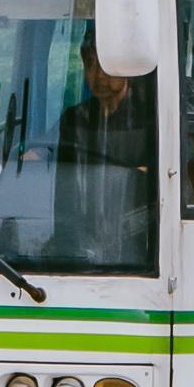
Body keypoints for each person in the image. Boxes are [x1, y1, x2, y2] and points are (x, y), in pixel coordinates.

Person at [53, 40, 157, 263]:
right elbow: (49, 155)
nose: (98, 77)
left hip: (138, 238)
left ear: (127, 68)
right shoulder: (74, 118)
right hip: (82, 232)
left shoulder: (151, 118)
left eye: (106, 66)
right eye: (91, 65)